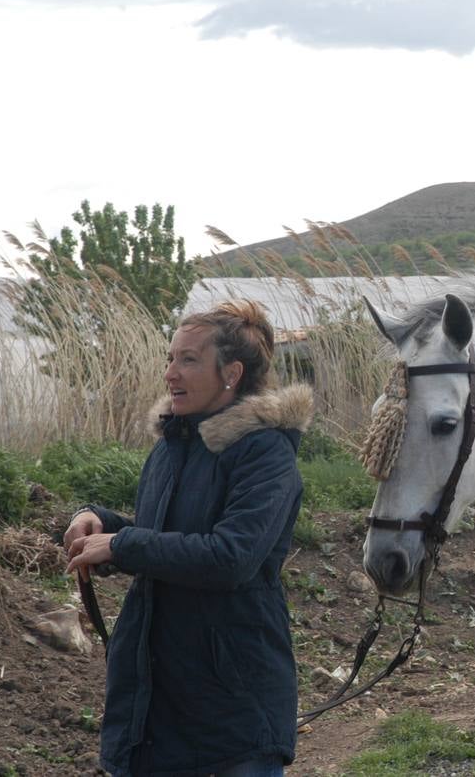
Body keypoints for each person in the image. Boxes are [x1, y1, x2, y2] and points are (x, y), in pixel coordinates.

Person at [64, 301, 312, 776]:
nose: (170, 373)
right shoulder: (174, 443)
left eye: (188, 360)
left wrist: (122, 545)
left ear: (232, 373)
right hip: (154, 700)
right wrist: (99, 522)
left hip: (230, 707)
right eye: (169, 357)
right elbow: (166, 537)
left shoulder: (265, 453)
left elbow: (231, 557)